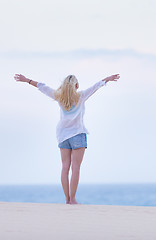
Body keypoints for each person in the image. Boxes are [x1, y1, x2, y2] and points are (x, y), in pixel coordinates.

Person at [14, 73, 120, 204]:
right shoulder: (81, 96)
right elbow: (96, 86)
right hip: (77, 134)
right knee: (76, 168)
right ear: (76, 85)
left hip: (63, 135)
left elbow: (42, 87)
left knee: (65, 167)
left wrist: (26, 80)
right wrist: (107, 79)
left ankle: (67, 199)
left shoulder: (59, 97)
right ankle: (73, 199)